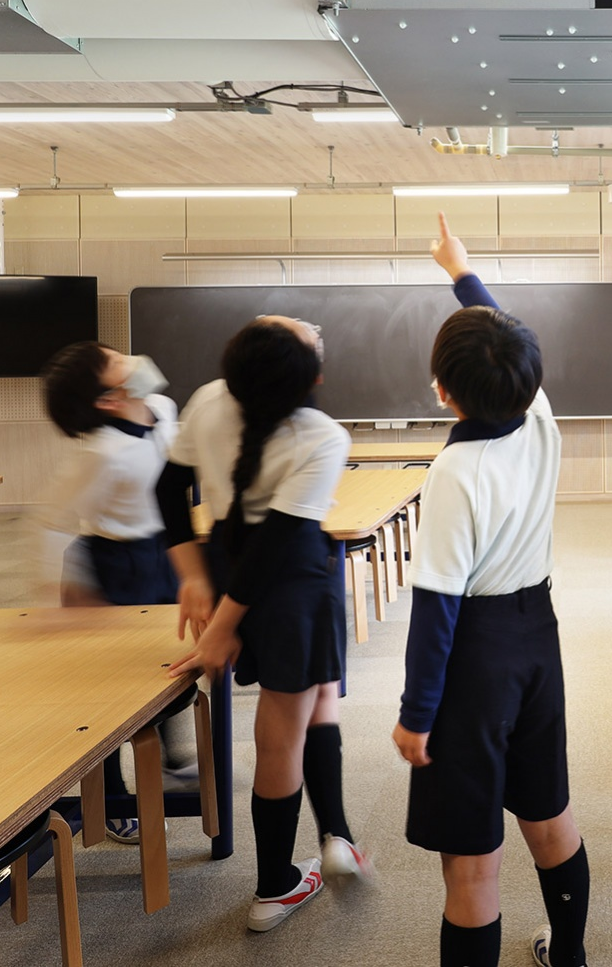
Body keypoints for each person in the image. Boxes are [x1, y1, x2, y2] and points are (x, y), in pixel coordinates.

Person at [392, 213, 590, 967]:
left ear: (441, 391)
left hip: (473, 658)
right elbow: (508, 333)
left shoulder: (452, 475)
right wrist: (462, 271)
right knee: (550, 814)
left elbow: (436, 604)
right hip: (537, 634)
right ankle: (567, 953)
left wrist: (417, 714)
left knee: (472, 862)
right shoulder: (541, 418)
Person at [158, 315, 371, 934]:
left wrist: (196, 576)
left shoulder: (208, 399)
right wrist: (222, 626)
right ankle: (273, 888)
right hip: (289, 580)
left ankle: (337, 833)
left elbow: (169, 490)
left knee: (316, 698)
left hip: (231, 563)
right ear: (315, 379)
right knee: (281, 732)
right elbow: (277, 545)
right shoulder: (323, 436)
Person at [41, 343, 190, 843]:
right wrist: (63, 598)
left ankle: (171, 752)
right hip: (115, 564)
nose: (133, 358)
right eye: (118, 361)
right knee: (112, 687)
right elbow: (51, 523)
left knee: (165, 657)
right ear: (108, 399)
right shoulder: (101, 453)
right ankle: (111, 794)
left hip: (162, 551)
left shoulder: (164, 410)